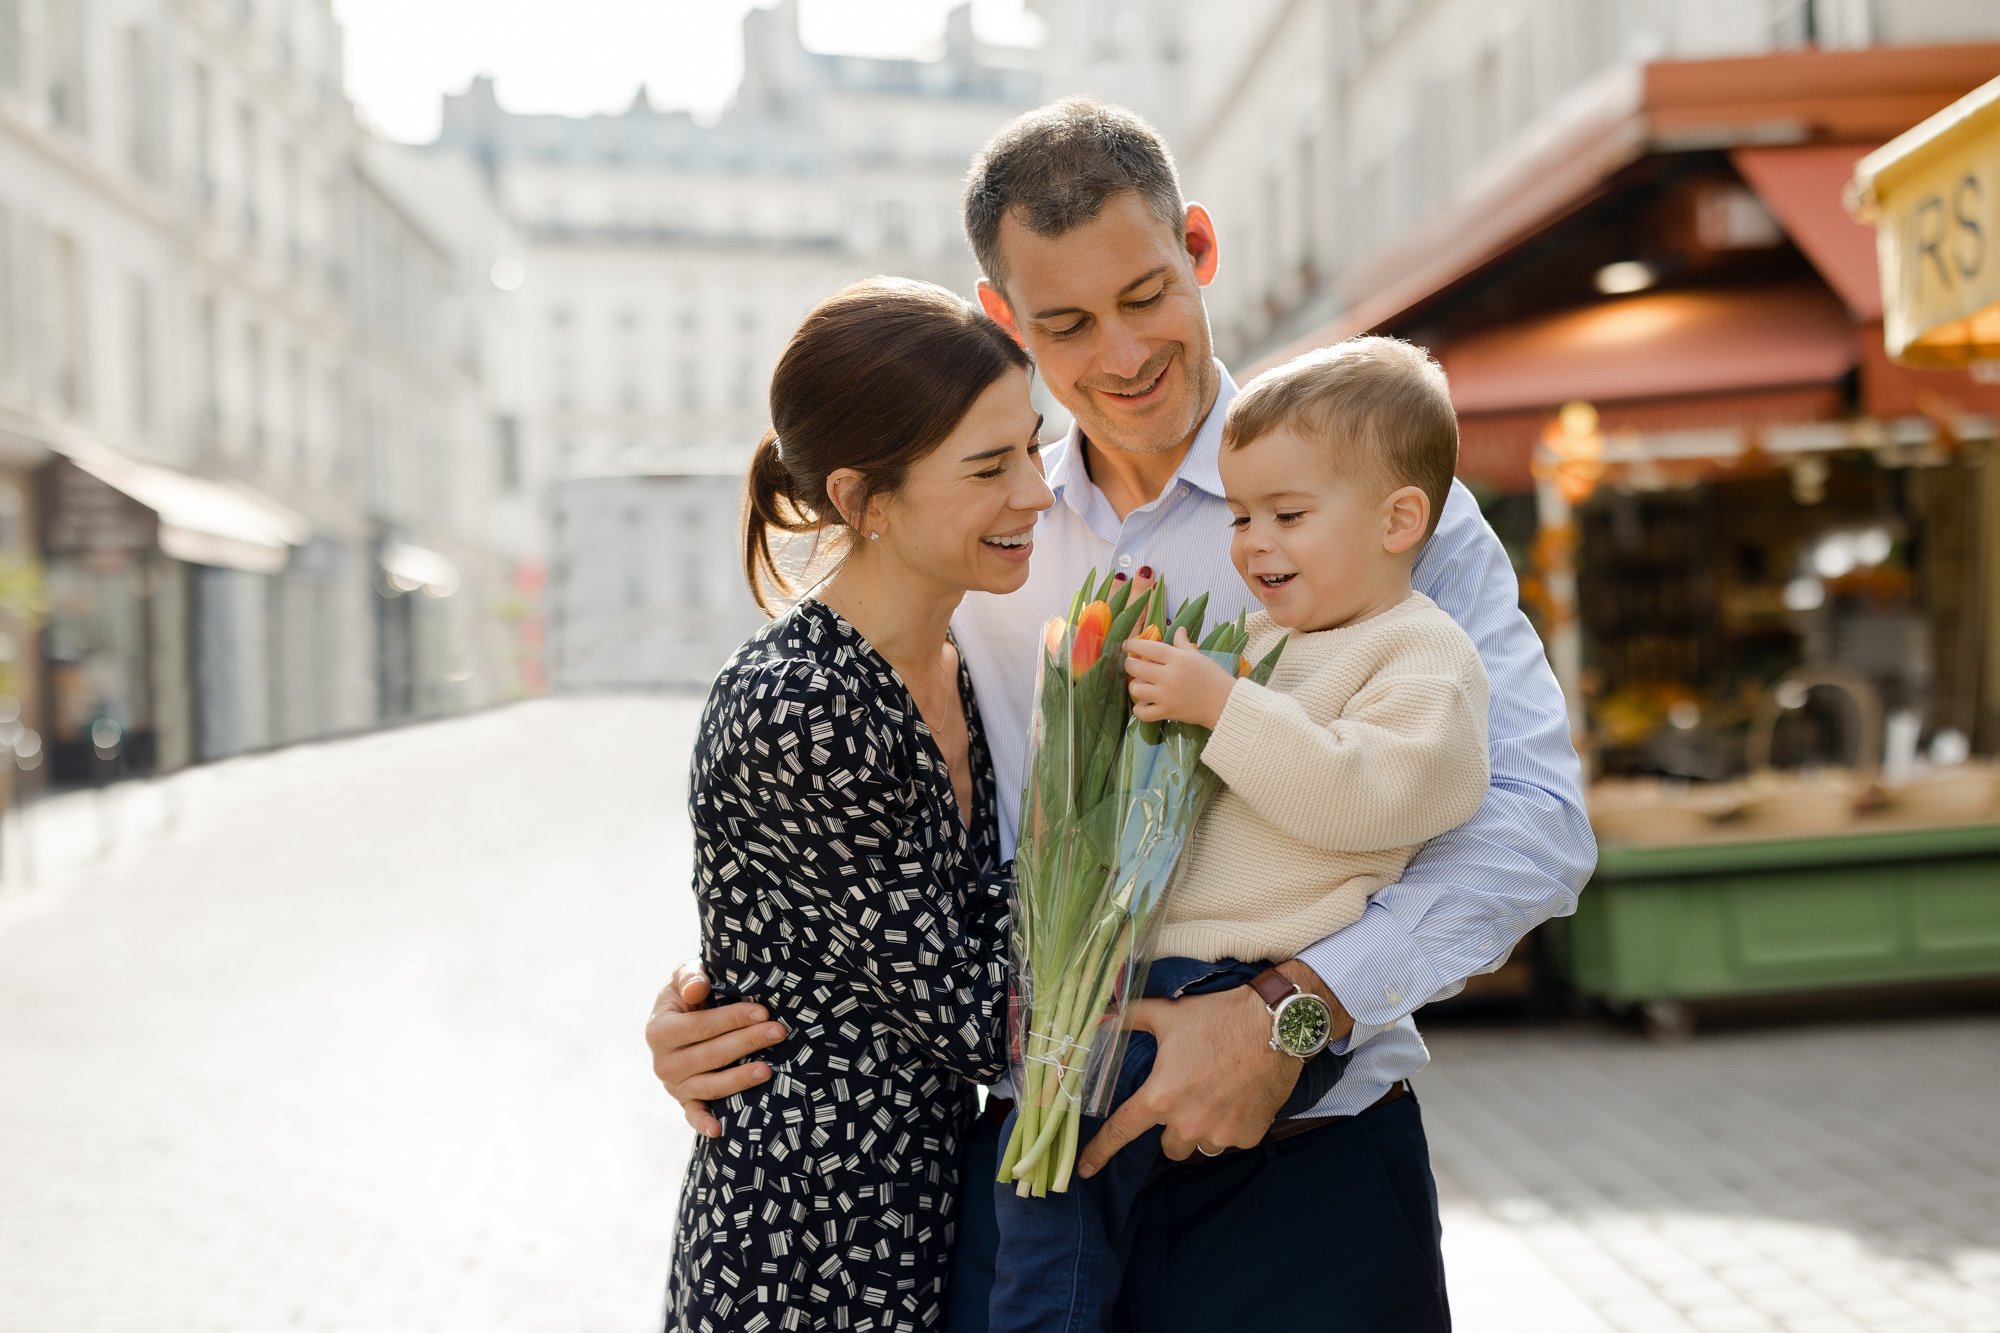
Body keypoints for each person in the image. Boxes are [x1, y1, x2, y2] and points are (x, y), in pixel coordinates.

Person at [648, 98, 1596, 1333]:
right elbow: (869, 832)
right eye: (1065, 324)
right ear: (1003, 320)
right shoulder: (983, 532)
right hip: (1042, 1161)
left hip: (1306, 1165)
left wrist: (1285, 1012)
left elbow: (1530, 822)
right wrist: (733, 1010)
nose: (1121, 353)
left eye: (1146, 294)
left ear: (1198, 247)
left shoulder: (1374, 502)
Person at [989, 337, 1493, 1332]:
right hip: (1159, 978)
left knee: (1058, 1163)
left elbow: (1373, 795)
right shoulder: (1271, 640)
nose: (1252, 543)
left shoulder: (1421, 650)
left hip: (1255, 992)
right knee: (1043, 1162)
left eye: (1285, 517)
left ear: (1400, 521)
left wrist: (1220, 708)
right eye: (1242, 515)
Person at [663, 276, 1053, 1330]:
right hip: (808, 1258)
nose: (1036, 492)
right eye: (989, 466)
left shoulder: (948, 654)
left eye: (1032, 447)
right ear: (861, 499)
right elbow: (983, 1018)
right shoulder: (800, 705)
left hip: (922, 1224)